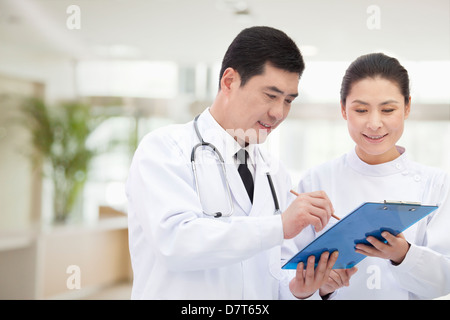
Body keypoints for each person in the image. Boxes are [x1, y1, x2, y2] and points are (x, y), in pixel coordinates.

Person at [126, 26, 339, 300]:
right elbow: (175, 243)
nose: (278, 113)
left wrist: (302, 288)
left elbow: (275, 274)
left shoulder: (275, 173)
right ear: (229, 81)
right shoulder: (164, 149)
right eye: (270, 96)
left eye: (288, 101)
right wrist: (279, 226)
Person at [294, 53, 450, 299]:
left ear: (407, 107)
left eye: (388, 109)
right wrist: (322, 287)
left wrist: (403, 254)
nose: (374, 123)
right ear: (344, 109)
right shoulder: (315, 181)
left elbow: (445, 280)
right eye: (361, 109)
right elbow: (289, 276)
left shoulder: (437, 185)